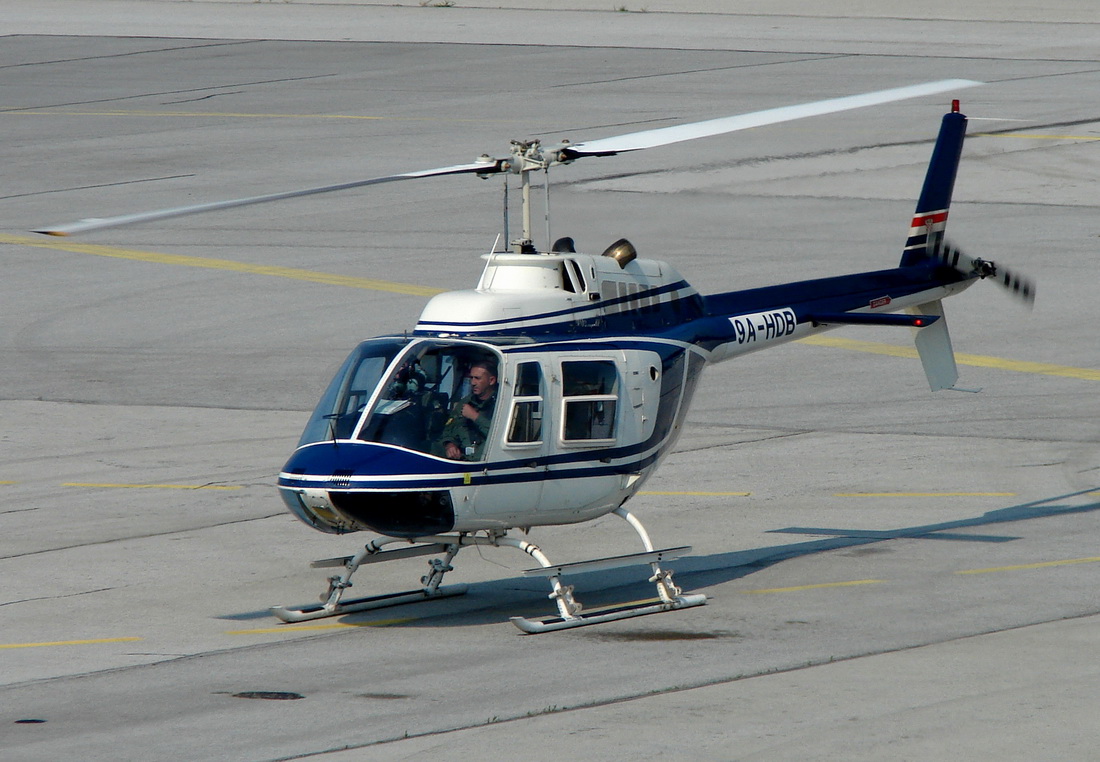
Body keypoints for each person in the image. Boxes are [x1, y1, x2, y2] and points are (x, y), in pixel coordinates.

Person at [438, 359, 498, 461]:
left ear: (491, 380)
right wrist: (450, 445)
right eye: (471, 378)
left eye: (477, 378)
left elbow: (499, 437)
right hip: (461, 461)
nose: (473, 383)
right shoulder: (465, 403)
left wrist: (475, 417)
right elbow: (449, 430)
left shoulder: (501, 404)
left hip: (485, 462)